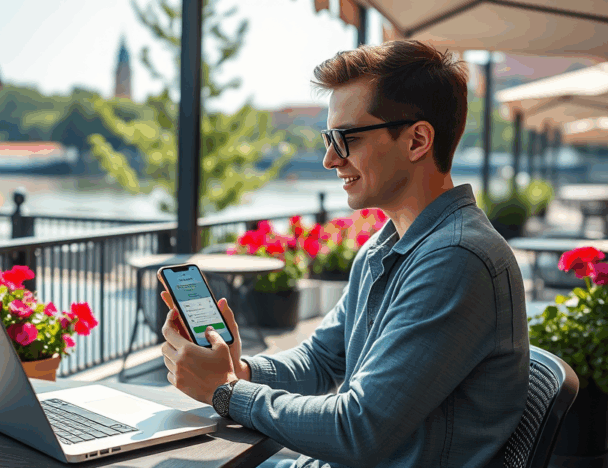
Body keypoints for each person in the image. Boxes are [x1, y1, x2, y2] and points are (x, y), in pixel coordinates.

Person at [158, 39, 529, 468]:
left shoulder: (457, 259)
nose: (329, 159)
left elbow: (357, 430)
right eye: (328, 137)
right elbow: (319, 360)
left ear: (417, 140)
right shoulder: (386, 247)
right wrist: (238, 371)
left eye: (345, 138)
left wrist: (226, 392)